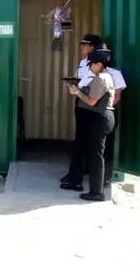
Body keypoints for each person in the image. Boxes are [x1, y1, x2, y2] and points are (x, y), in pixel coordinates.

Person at [61, 49, 117, 201]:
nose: (90, 67)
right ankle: (96, 190)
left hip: (100, 118)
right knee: (96, 155)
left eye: (91, 64)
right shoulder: (105, 76)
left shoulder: (101, 79)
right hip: (103, 117)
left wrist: (77, 92)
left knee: (96, 156)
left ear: (99, 64)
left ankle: (97, 192)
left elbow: (92, 101)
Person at [59, 33, 102, 187]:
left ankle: (77, 177)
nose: (82, 47)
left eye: (86, 45)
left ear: (93, 47)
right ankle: (75, 173)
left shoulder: (98, 65)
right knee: (80, 139)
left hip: (92, 101)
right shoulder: (83, 62)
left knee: (87, 141)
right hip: (82, 99)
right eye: (82, 44)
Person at [97, 44, 127, 184]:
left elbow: (118, 96)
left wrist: (105, 107)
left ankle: (105, 176)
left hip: (107, 111)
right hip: (92, 111)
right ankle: (93, 173)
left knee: (107, 146)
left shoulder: (115, 73)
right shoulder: (92, 72)